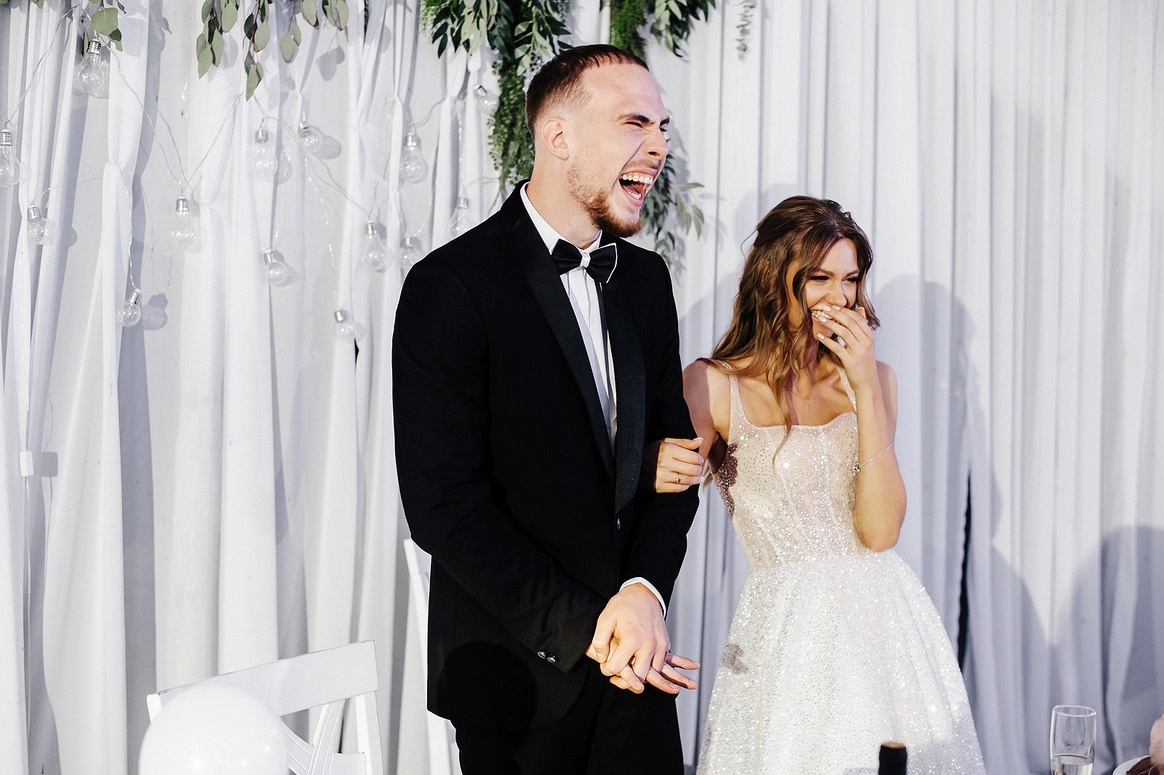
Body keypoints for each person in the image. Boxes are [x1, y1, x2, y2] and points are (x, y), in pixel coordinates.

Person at [393, 45, 700, 775]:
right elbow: (444, 506)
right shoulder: (450, 285)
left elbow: (676, 465)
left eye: (661, 127)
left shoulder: (647, 281)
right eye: (634, 123)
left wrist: (645, 592)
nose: (658, 146)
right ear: (558, 137)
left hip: (638, 666)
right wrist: (594, 629)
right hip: (517, 678)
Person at [652, 196, 986, 773]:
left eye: (851, 279)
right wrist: (650, 461)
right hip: (786, 633)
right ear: (774, 277)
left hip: (884, 626)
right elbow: (661, 502)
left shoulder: (877, 381)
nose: (841, 297)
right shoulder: (713, 384)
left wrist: (865, 386)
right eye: (820, 278)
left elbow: (880, 532)